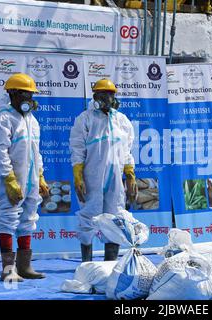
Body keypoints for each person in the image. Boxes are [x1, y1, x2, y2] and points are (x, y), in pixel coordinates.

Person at [0, 73, 49, 282]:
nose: (29, 99)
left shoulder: (32, 121)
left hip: (29, 180)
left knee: (28, 219)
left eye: (31, 95)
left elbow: (36, 153)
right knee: (7, 218)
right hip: (10, 180)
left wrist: (40, 176)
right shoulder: (2, 120)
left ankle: (25, 266)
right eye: (25, 94)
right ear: (12, 95)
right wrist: (9, 179)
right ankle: (8, 269)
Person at [69, 78, 137, 262]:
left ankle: (110, 263)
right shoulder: (86, 119)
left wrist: (130, 174)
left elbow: (127, 150)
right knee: (88, 215)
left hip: (115, 179)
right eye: (103, 95)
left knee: (115, 217)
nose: (108, 98)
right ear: (95, 97)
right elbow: (77, 148)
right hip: (92, 177)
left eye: (111, 95)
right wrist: (78, 174)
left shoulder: (122, 121)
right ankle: (87, 263)